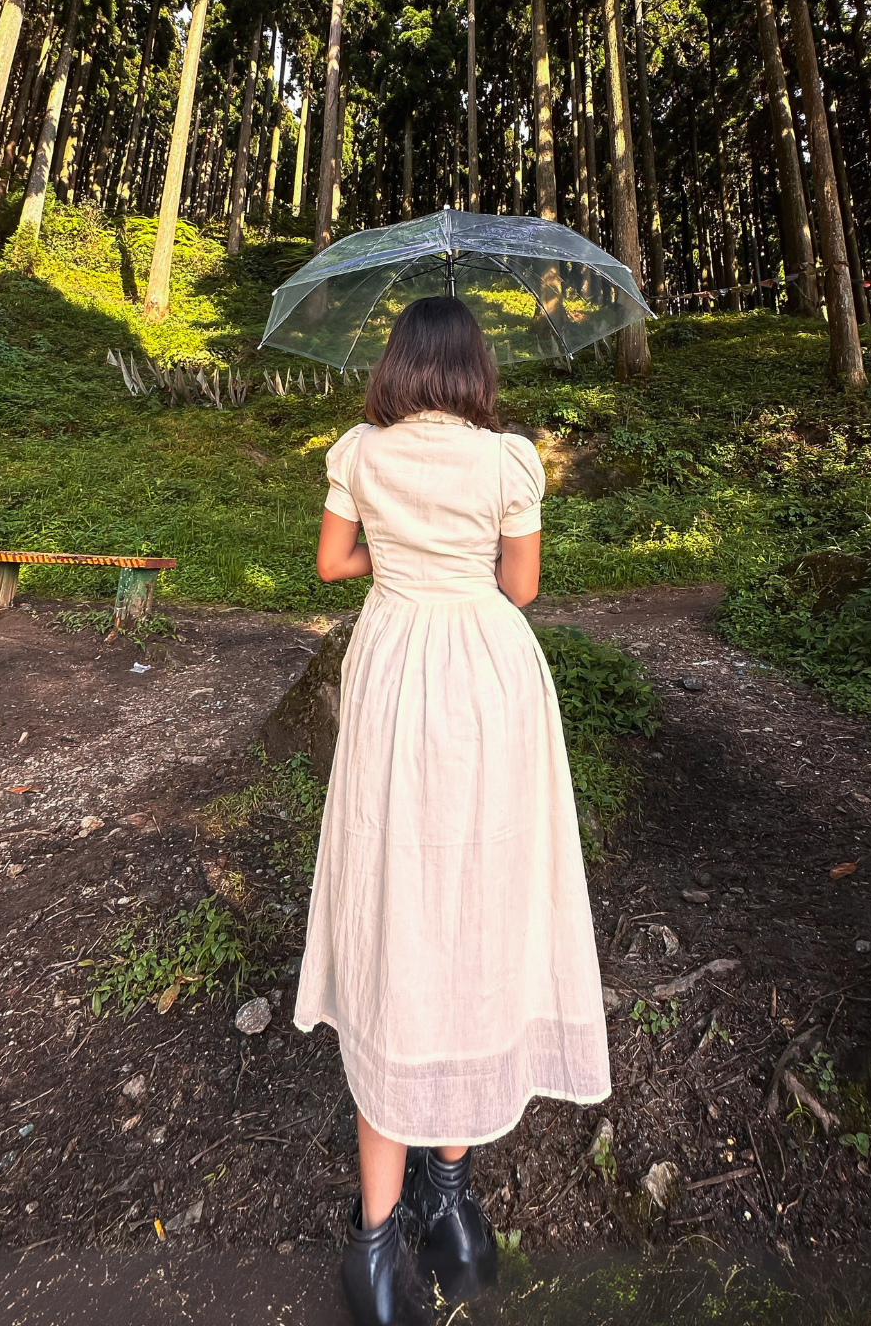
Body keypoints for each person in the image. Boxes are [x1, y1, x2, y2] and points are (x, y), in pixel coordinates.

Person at [293, 297, 611, 1326]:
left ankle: (375, 1249)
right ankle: (455, 1211)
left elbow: (331, 565)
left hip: (394, 673)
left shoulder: (360, 451)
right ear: (474, 368)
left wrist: (394, 555)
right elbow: (522, 586)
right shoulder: (508, 458)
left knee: (395, 912)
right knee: (478, 905)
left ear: (396, 364)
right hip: (487, 682)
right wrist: (456, 560)